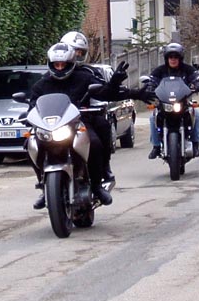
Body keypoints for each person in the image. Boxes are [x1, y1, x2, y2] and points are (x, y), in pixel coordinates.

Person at [27, 42, 129, 209]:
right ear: (51, 64)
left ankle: (96, 186)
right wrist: (29, 116)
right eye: (56, 65)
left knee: (94, 143)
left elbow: (104, 93)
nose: (60, 68)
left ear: (71, 63)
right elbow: (33, 105)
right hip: (50, 128)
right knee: (30, 144)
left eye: (63, 64)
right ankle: (44, 187)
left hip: (79, 123)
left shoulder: (84, 78)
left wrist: (114, 82)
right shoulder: (42, 84)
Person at [60, 30, 116, 181]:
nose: (77, 55)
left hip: (84, 116)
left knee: (101, 130)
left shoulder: (90, 72)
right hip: (58, 121)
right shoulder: (53, 72)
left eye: (80, 52)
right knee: (31, 141)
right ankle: (43, 179)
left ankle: (104, 168)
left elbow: (103, 90)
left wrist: (113, 85)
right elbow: (39, 95)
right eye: (74, 51)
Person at [142, 42, 199, 159]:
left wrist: (198, 83)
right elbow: (152, 79)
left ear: (180, 58)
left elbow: (196, 77)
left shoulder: (187, 69)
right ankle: (156, 146)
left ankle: (195, 144)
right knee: (153, 117)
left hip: (183, 103)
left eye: (176, 57)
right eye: (170, 57)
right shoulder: (160, 70)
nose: (173, 59)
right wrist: (149, 85)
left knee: (195, 114)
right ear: (166, 58)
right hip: (164, 103)